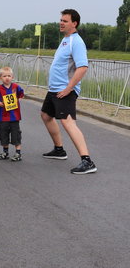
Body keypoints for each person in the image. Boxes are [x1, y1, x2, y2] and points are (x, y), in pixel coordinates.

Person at [41, 9, 97, 174]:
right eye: (61, 20)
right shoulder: (66, 40)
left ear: (74, 23)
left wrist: (68, 88)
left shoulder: (76, 42)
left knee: (68, 121)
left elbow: (82, 67)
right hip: (55, 90)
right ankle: (59, 150)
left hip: (65, 90)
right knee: (46, 115)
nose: (61, 23)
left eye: (65, 21)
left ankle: (87, 160)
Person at [0, 67, 25, 161]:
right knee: (3, 134)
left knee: (16, 134)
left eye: (9, 76)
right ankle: (5, 152)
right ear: (0, 78)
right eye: (4, 76)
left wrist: (19, 99)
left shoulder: (15, 87)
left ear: (12, 77)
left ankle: (18, 153)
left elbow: (21, 93)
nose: (7, 78)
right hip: (4, 117)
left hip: (14, 116)